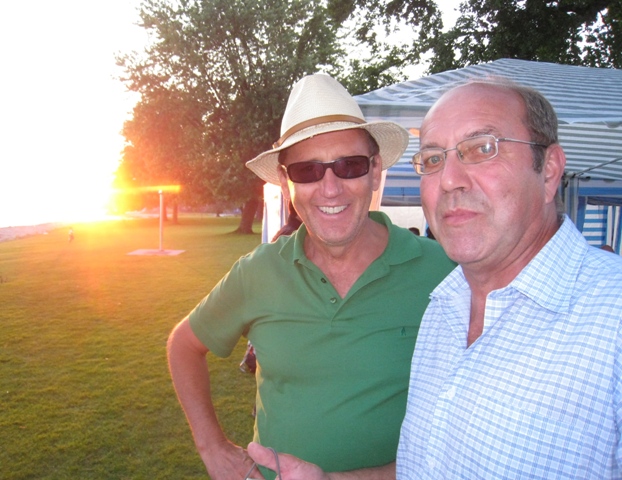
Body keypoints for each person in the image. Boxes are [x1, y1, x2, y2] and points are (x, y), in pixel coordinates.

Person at [248, 78, 622, 479]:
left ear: (548, 171)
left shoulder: (611, 321)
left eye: (482, 149)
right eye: (432, 159)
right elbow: (427, 465)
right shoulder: (443, 307)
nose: (448, 179)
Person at [166, 73, 455, 480]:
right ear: (287, 184)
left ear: (375, 171)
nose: (330, 189)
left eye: (349, 165)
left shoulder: (443, 271)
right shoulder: (258, 272)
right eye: (306, 171)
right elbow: (184, 345)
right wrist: (211, 447)